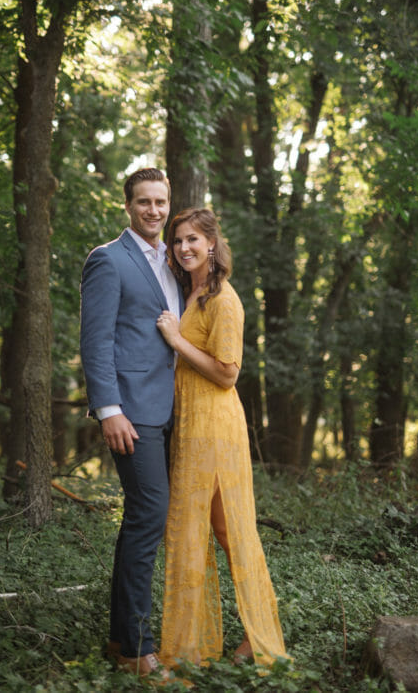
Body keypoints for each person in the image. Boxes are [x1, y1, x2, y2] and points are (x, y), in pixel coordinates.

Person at [156, 207, 289, 670]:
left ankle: (251, 635)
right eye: (178, 241)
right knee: (218, 530)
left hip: (215, 425)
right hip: (191, 424)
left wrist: (177, 341)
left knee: (217, 530)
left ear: (212, 243)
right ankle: (228, 636)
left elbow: (229, 373)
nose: (184, 248)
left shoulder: (223, 300)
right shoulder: (190, 292)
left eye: (192, 239)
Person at [79, 167, 183, 678]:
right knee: (149, 517)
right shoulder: (108, 259)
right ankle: (140, 651)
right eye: (144, 201)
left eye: (160, 202)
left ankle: (122, 641)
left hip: (170, 411)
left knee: (142, 521)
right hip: (132, 414)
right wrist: (109, 410)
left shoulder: (174, 262)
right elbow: (95, 340)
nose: (153, 210)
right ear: (128, 205)